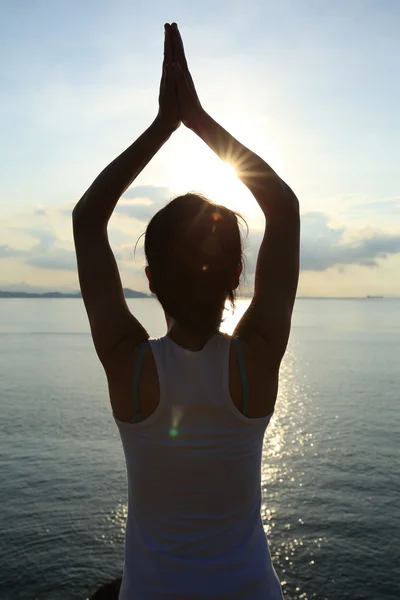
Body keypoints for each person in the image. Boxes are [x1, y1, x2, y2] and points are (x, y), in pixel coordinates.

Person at [73, 22, 300, 600]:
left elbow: (87, 218)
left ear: (149, 280)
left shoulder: (130, 366)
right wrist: (198, 119)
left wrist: (163, 126)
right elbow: (285, 207)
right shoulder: (258, 360)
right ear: (236, 277)